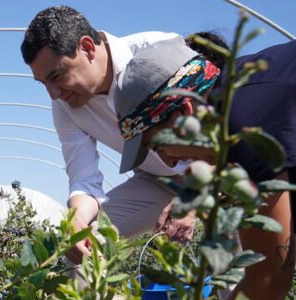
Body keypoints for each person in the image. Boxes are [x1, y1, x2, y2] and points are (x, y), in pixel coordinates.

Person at [115, 36, 296, 300]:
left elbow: (268, 279)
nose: (166, 160)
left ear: (186, 110)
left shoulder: (246, 118)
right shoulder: (239, 112)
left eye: (157, 144)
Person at [20, 6, 194, 265]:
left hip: (223, 170)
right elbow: (84, 179)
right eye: (43, 83)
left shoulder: (160, 53)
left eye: (56, 76)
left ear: (88, 47)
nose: (53, 94)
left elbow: (233, 127)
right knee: (81, 252)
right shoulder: (65, 105)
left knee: (239, 274)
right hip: (156, 180)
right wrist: (76, 221)